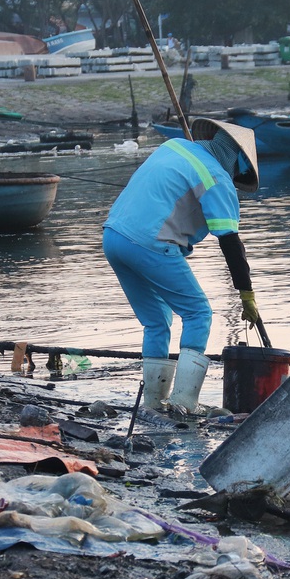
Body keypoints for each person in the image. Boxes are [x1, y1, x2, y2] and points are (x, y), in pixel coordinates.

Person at [102, 118, 262, 413]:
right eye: (240, 169)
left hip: (113, 237)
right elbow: (230, 242)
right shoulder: (217, 178)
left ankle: (152, 404)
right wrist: (246, 294)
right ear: (236, 158)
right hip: (149, 243)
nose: (237, 175)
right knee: (198, 312)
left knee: (156, 321)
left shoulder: (173, 147)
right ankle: (184, 402)